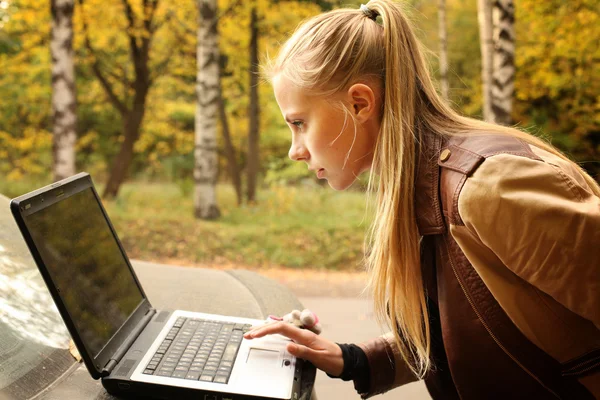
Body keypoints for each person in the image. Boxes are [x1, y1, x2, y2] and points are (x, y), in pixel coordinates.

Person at [243, 0, 600, 398]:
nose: (295, 150)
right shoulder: (420, 186)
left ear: (359, 103)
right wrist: (356, 359)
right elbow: (461, 327)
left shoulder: (489, 186)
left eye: (299, 123)